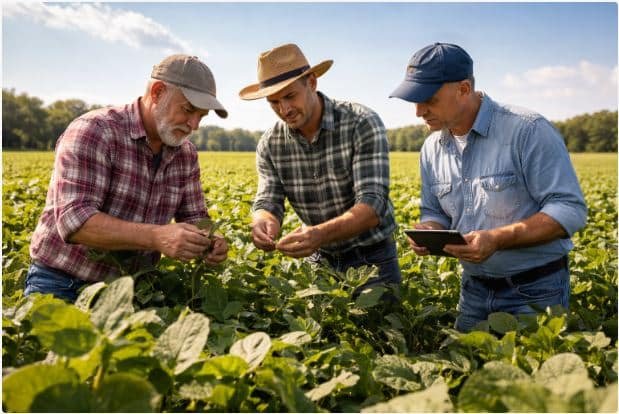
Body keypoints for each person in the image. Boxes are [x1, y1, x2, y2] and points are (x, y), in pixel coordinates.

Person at [389, 42, 587, 331]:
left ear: (464, 89)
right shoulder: (431, 148)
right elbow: (434, 211)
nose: (419, 111)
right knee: (464, 361)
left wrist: (497, 238)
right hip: (473, 289)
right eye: (414, 100)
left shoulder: (527, 130)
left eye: (429, 99)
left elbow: (569, 210)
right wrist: (430, 230)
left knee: (532, 362)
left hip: (536, 290)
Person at [26, 54, 229, 302]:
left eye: (202, 116)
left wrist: (211, 241)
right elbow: (74, 221)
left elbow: (195, 217)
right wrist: (157, 237)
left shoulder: (185, 154)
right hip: (64, 282)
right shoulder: (95, 131)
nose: (194, 125)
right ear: (157, 92)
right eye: (188, 110)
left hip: (134, 290)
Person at [239, 43, 401, 295]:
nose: (284, 110)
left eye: (290, 96)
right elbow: (268, 200)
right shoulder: (270, 143)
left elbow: (372, 205)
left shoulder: (360, 122)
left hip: (372, 257)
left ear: (312, 83)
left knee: (381, 320)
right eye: (274, 102)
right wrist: (263, 222)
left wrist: (318, 234)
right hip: (319, 260)